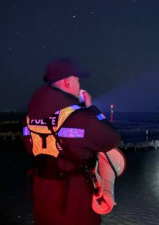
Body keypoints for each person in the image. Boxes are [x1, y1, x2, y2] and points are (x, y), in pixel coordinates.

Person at [22, 57, 122, 225]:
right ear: (68, 82)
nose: (79, 85)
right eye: (77, 80)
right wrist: (91, 109)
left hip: (42, 202)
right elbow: (112, 139)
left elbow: (32, 149)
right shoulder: (80, 118)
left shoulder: (29, 118)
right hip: (75, 207)